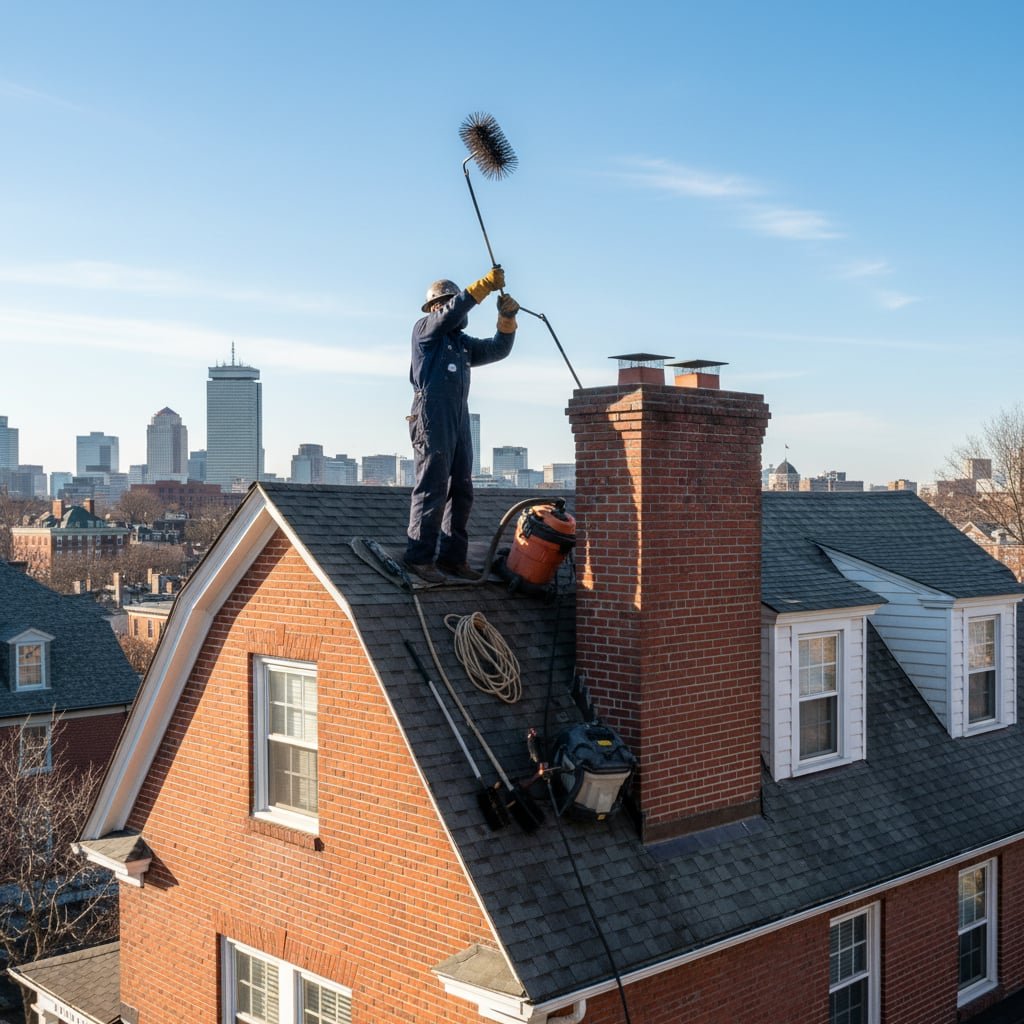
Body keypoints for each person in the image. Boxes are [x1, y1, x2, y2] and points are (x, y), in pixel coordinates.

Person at [404, 267, 519, 583]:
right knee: (432, 485)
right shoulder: (426, 332)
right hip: (430, 415)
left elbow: (498, 349)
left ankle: (452, 559)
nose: (451, 308)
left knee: (461, 488)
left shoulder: (461, 344)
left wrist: (506, 322)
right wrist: (483, 286)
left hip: (456, 418)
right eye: (446, 302)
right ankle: (419, 558)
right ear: (436, 308)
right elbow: (451, 312)